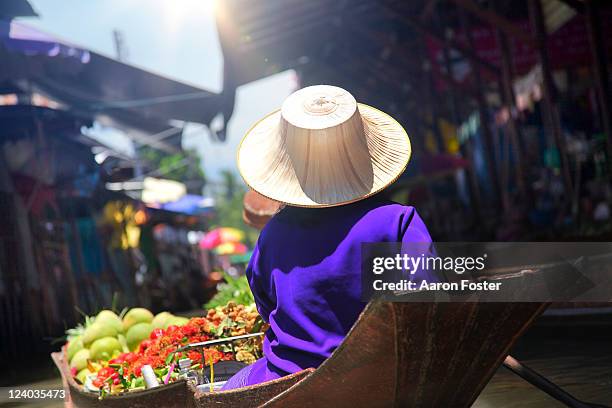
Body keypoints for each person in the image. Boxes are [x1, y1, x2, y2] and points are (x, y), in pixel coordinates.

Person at [222, 85, 434, 389]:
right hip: (386, 373)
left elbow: (267, 305)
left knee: (228, 389)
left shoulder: (273, 235)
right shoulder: (397, 221)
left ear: (290, 165)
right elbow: (427, 304)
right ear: (362, 153)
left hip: (289, 381)